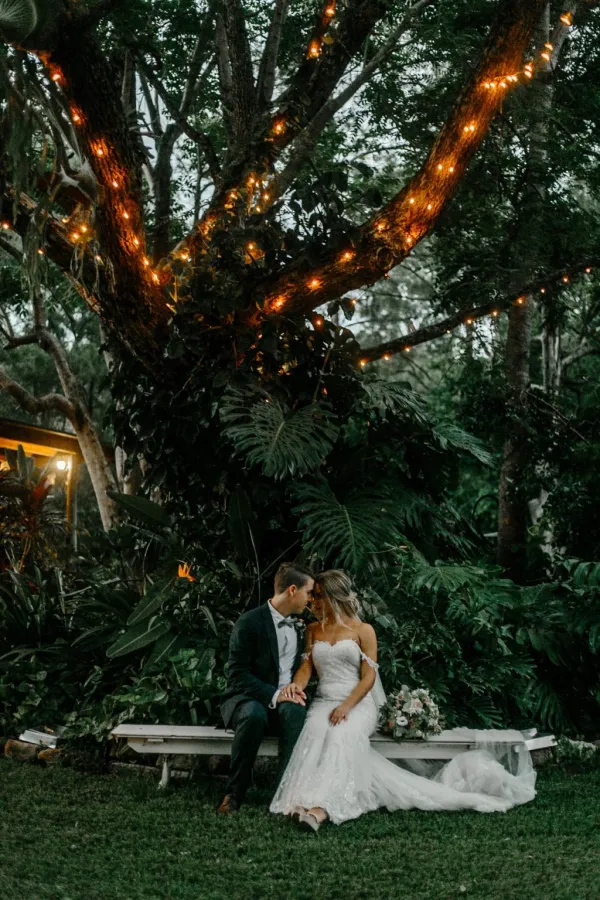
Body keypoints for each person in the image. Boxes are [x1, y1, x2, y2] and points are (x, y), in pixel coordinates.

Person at [270, 569, 537, 831]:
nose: (312, 602)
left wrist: (346, 706)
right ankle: (299, 801)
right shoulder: (314, 630)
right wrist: (297, 685)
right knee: (315, 730)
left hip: (358, 703)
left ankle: (322, 808)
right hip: (324, 700)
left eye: (318, 596)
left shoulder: (364, 631)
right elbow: (307, 667)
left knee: (341, 736)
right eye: (313, 596)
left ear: (334, 597)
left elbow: (368, 678)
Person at [217, 562, 315, 815]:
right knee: (254, 714)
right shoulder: (249, 622)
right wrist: (274, 694)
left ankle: (284, 795)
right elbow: (237, 674)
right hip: (247, 698)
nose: (311, 599)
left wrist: (292, 691)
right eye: (308, 592)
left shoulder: (300, 625)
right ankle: (233, 794)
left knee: (295, 711)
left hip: (284, 699)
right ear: (293, 590)